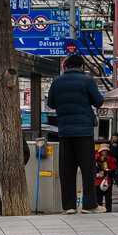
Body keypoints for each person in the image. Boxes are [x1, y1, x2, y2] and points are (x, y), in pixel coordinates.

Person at [45, 50, 104, 213]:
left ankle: (69, 206)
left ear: (66, 66)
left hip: (65, 132)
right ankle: (89, 205)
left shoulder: (57, 82)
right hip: (84, 132)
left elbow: (51, 103)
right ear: (81, 66)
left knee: (67, 171)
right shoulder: (87, 81)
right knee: (88, 170)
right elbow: (99, 101)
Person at [93, 137, 118, 212]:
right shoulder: (96, 159)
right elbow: (92, 169)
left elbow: (113, 170)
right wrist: (97, 174)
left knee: (108, 198)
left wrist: (105, 173)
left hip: (108, 181)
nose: (105, 152)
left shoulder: (111, 159)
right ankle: (99, 209)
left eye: (106, 151)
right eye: (103, 151)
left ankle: (108, 210)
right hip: (98, 182)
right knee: (98, 198)